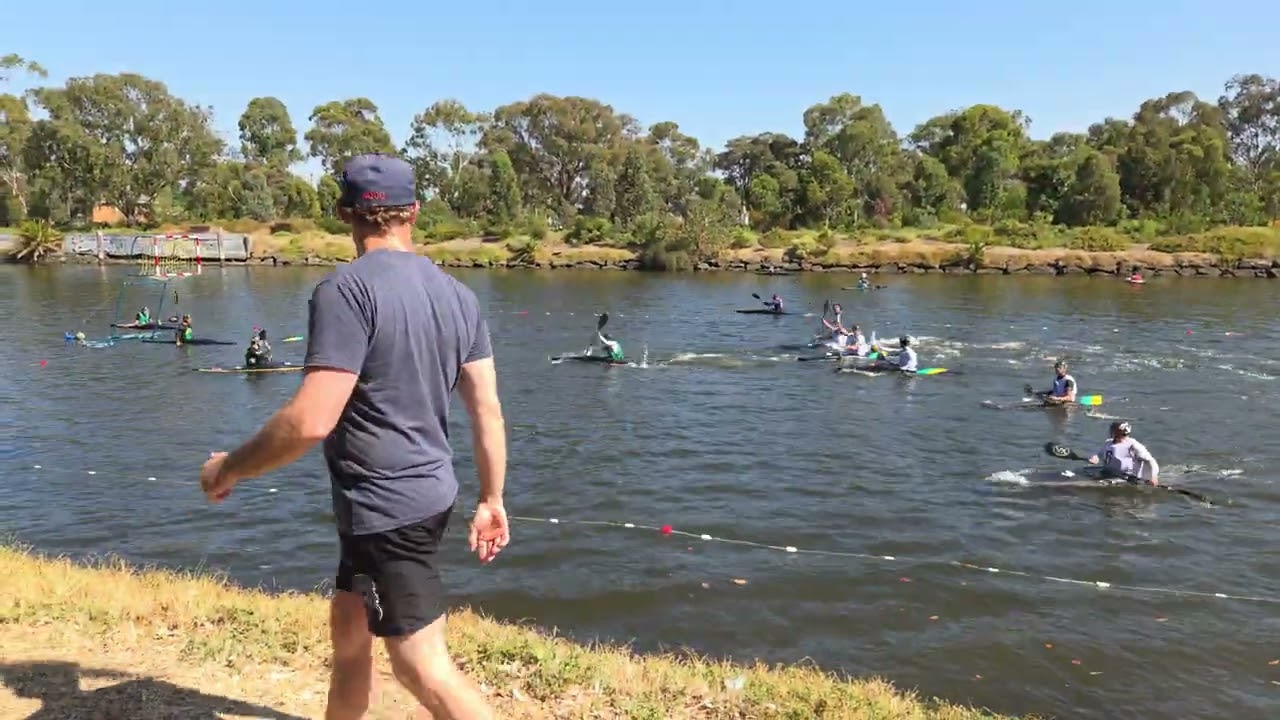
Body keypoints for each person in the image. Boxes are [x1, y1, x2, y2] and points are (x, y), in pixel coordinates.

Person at [199, 153, 508, 720]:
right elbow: (486, 408)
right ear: (414, 212)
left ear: (345, 214)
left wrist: (229, 469)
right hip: (419, 495)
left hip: (387, 505)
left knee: (421, 665)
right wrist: (491, 498)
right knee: (350, 628)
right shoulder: (458, 296)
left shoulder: (345, 290)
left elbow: (311, 420)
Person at [1088, 421, 1159, 485]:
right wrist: (1095, 458)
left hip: (1126, 477)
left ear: (1120, 432)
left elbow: (1151, 460)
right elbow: (1099, 455)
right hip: (1108, 472)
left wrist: (1153, 477)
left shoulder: (1133, 445)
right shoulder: (1108, 442)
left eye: (1114, 430)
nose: (1111, 431)